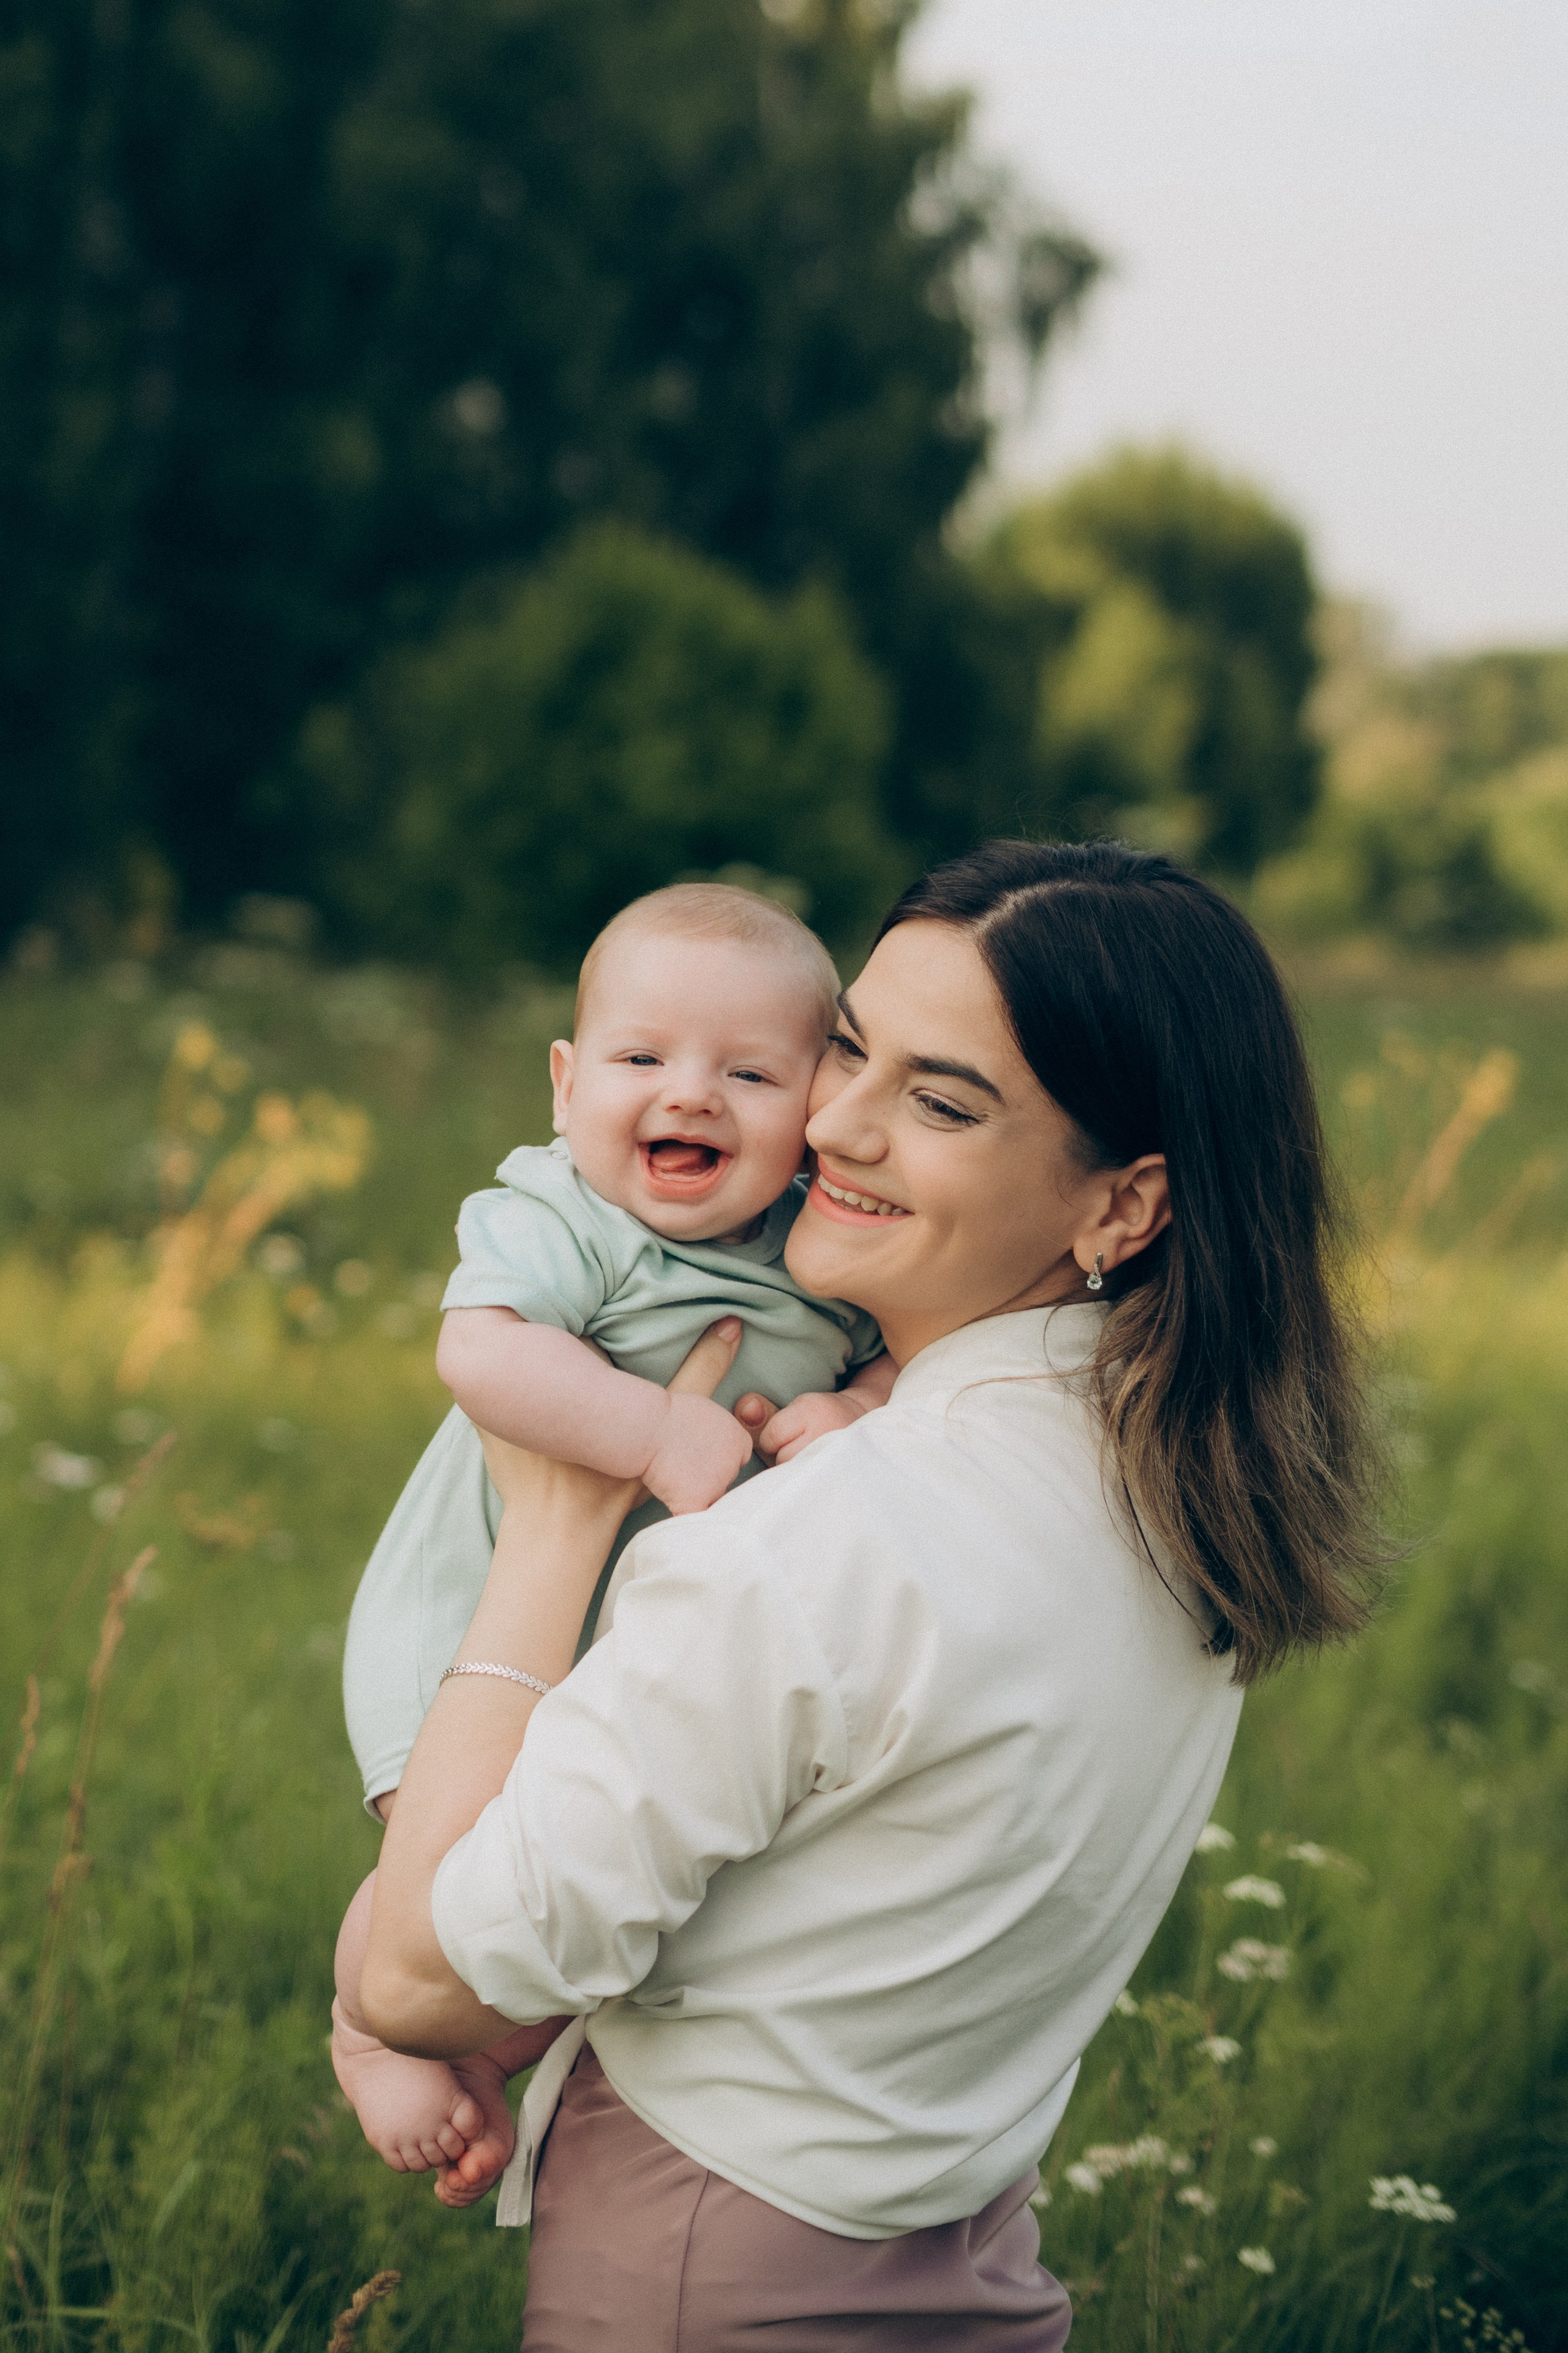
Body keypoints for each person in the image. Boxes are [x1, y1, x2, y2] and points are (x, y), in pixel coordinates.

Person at [361, 840, 1382, 2350]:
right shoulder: (1182, 1492)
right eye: (849, 1043)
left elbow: (421, 1976)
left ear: (1122, 1205)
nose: (832, 1119)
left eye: (943, 1099)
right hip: (965, 2249)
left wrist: (552, 1530)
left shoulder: (821, 1540)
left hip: (705, 2273)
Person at [333, 884, 893, 2197]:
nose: (689, 1095)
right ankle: (367, 2024)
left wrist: (851, 1405)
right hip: (476, 1611)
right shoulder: (565, 1216)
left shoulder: (809, 1255)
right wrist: (647, 1433)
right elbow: (479, 1350)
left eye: (749, 1073)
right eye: (642, 1059)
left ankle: (485, 2053)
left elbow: (885, 1367)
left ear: (813, 1109)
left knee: (561, 1899)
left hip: (627, 1647)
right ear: (565, 1083)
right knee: (453, 1858)